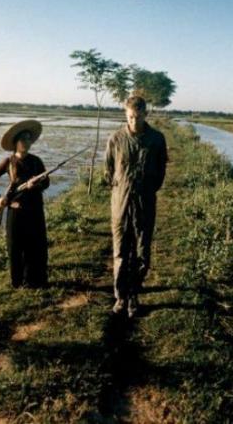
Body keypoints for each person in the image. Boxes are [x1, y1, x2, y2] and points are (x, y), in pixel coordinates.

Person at [104, 96, 168, 317]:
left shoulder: (157, 139)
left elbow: (160, 173)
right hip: (120, 203)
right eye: (130, 117)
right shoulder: (115, 139)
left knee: (142, 251)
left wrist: (146, 189)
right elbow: (109, 172)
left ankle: (134, 294)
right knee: (121, 251)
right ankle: (121, 297)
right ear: (125, 114)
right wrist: (122, 190)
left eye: (138, 117)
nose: (134, 121)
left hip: (145, 202)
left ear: (145, 114)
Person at [0, 120, 50, 288]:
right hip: (16, 212)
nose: (28, 142)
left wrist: (35, 185)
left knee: (36, 247)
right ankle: (17, 282)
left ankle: (35, 281)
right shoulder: (8, 162)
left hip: (35, 211)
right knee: (14, 249)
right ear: (16, 143)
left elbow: (47, 182)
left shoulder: (36, 161)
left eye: (29, 139)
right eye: (24, 139)